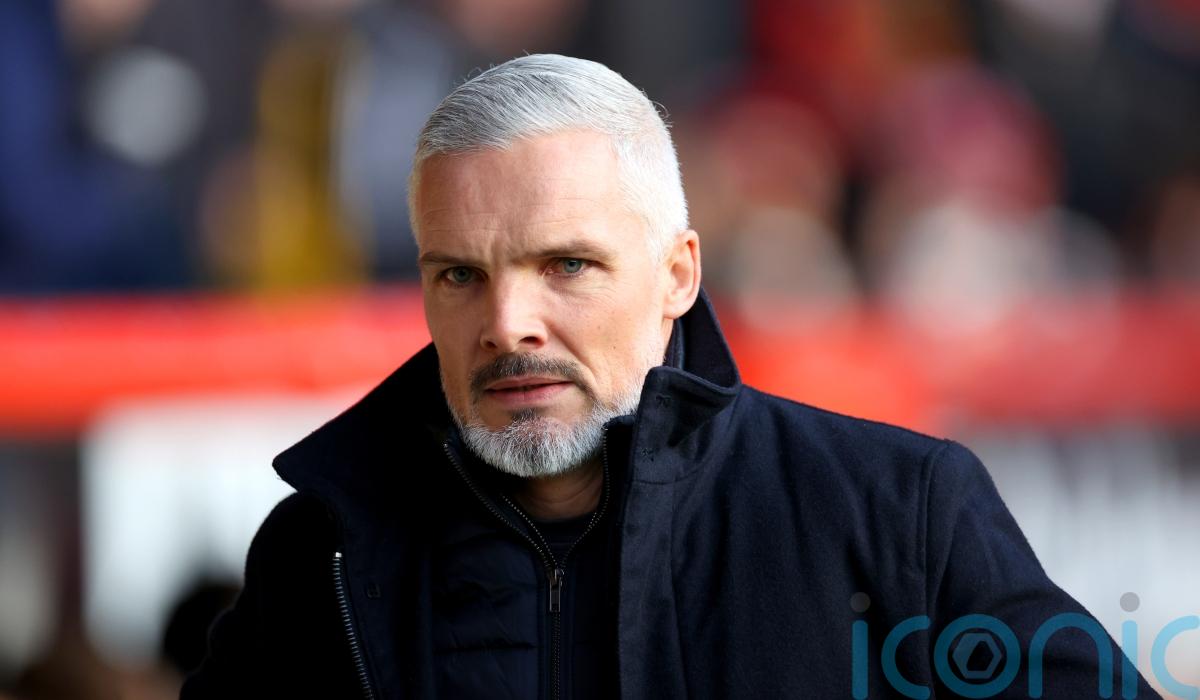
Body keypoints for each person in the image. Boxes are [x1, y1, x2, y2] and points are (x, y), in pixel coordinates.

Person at [183, 54, 1158, 699]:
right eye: (460, 276)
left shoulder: (893, 512)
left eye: (566, 265)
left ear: (678, 275)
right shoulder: (321, 553)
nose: (508, 323)